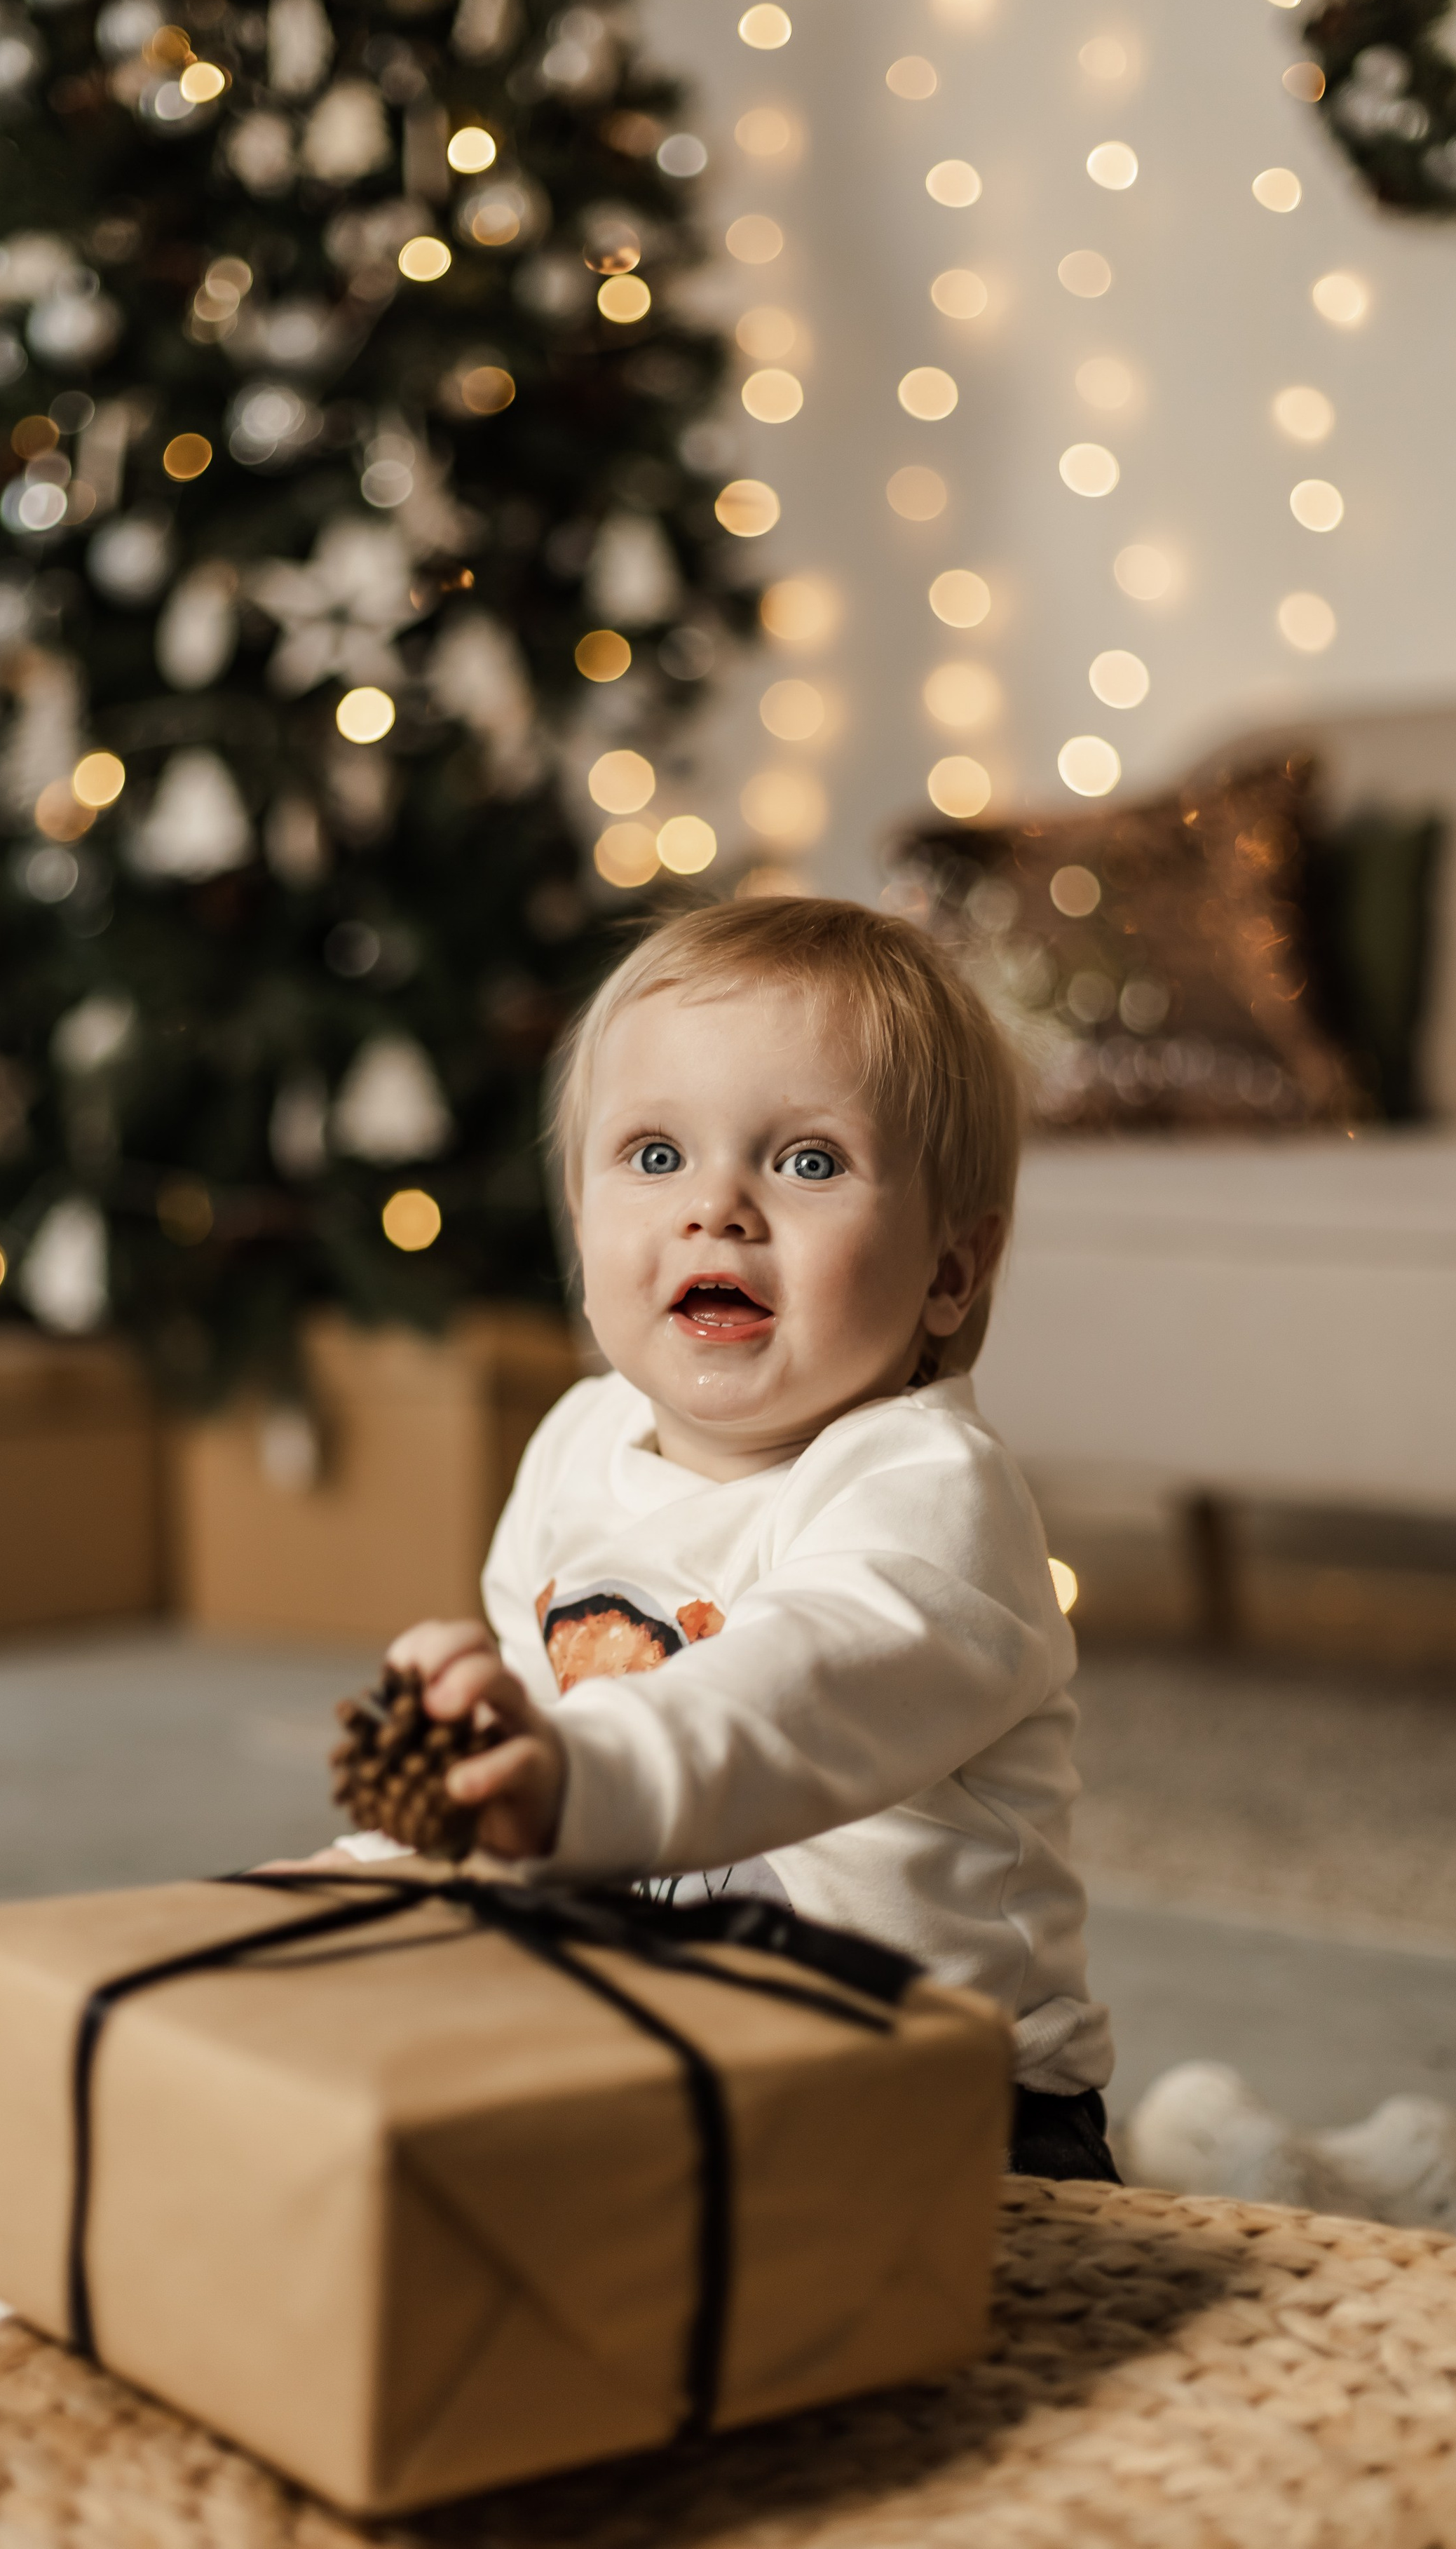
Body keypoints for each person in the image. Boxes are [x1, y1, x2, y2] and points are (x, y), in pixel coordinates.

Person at [335, 898, 1116, 2183]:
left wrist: (571, 1781)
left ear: (948, 1274)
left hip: (947, 2109)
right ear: (580, 1223)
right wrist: (388, 1855)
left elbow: (781, 1704)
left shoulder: (928, 1494)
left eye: (808, 1162)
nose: (718, 1209)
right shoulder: (579, 1442)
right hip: (663, 2050)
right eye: (653, 1156)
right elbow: (537, 1742)